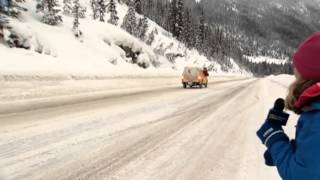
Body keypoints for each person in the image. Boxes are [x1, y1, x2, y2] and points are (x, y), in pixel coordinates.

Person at [257, 32, 320, 180]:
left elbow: (302, 175)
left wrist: (274, 138)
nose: (294, 77)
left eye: (298, 73)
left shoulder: (317, 119)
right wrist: (284, 152)